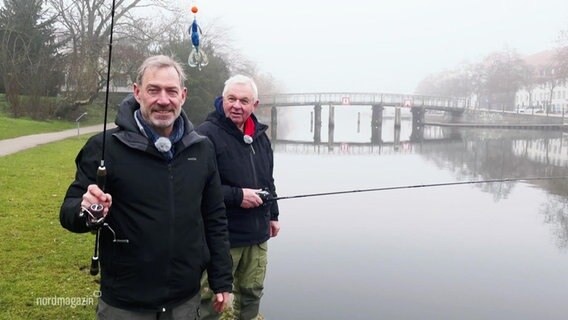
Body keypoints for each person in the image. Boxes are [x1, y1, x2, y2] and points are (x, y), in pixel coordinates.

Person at [60, 55, 233, 319]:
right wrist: (86, 211)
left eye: (171, 91)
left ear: (183, 96)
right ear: (137, 92)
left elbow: (215, 217)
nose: (163, 100)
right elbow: (69, 211)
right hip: (125, 302)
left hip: (185, 299)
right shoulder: (104, 147)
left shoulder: (203, 148)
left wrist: (221, 278)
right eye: (154, 90)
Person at [196, 75, 280, 320]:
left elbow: (268, 181)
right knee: (211, 299)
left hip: (257, 235)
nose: (236, 105)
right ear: (222, 100)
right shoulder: (205, 136)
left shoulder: (261, 137)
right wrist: (237, 196)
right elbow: (195, 188)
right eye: (231, 99)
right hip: (222, 237)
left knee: (252, 292)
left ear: (254, 105)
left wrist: (273, 215)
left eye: (244, 101)